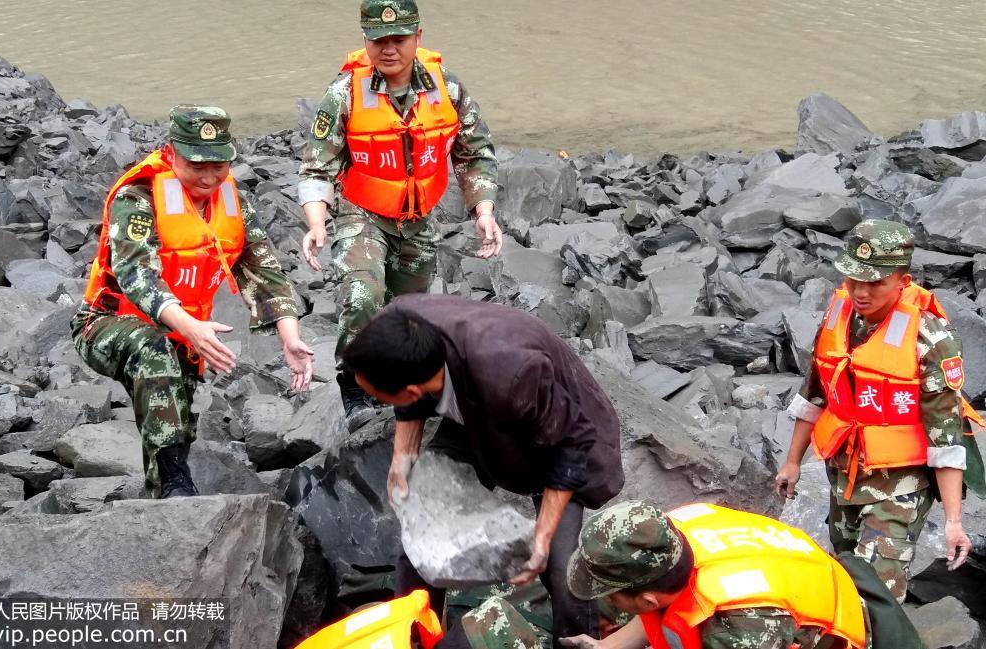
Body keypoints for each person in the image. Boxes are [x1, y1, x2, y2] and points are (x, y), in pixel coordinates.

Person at [341, 294, 625, 643]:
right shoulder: (400, 327)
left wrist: (543, 535)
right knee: (420, 533)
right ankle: (413, 633)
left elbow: (571, 445)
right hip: (473, 416)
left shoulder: (511, 373)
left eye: (379, 396)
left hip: (558, 435)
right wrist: (403, 458)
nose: (377, 402)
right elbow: (407, 400)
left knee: (561, 566)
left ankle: (580, 639)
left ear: (411, 389)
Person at [73, 106, 313, 498]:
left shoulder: (233, 201)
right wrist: (189, 328)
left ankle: (164, 501)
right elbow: (137, 276)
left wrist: (290, 337)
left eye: (219, 165)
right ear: (172, 153)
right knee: (153, 348)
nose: (209, 176)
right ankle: (175, 488)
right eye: (196, 164)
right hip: (107, 321)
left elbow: (263, 271)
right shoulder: (138, 197)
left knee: (175, 419)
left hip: (187, 332)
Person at [297, 0, 503, 432]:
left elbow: (475, 154)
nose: (388, 49)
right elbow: (319, 165)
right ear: (366, 42)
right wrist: (317, 222)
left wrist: (483, 211)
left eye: (399, 39)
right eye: (378, 41)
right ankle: (353, 386)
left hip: (419, 220)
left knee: (409, 313)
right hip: (362, 213)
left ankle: (399, 392)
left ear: (418, 38)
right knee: (362, 295)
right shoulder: (344, 94)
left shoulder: (448, 89)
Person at [774, 219, 985, 602]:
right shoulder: (838, 315)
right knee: (845, 572)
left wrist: (954, 521)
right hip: (844, 474)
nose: (860, 292)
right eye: (854, 280)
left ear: (902, 282)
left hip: (900, 483)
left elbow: (946, 436)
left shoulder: (931, 340)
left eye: (875, 283)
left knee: (877, 594)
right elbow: (816, 395)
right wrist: (791, 463)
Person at [559, 500, 925, 649]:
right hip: (804, 575)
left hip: (846, 632)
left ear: (650, 600)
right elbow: (658, 603)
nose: (604, 598)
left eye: (610, 590)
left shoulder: (741, 625)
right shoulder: (676, 527)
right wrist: (608, 646)